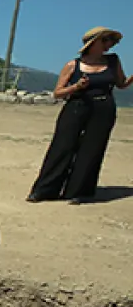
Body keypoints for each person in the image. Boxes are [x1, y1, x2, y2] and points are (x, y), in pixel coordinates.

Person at [28, 27, 131, 204]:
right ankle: (44, 190)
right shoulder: (73, 65)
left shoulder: (113, 61)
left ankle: (79, 191)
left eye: (112, 42)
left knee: (92, 149)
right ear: (95, 42)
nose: (110, 45)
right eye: (106, 41)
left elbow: (121, 83)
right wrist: (76, 87)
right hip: (76, 107)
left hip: (104, 108)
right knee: (62, 147)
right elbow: (58, 93)